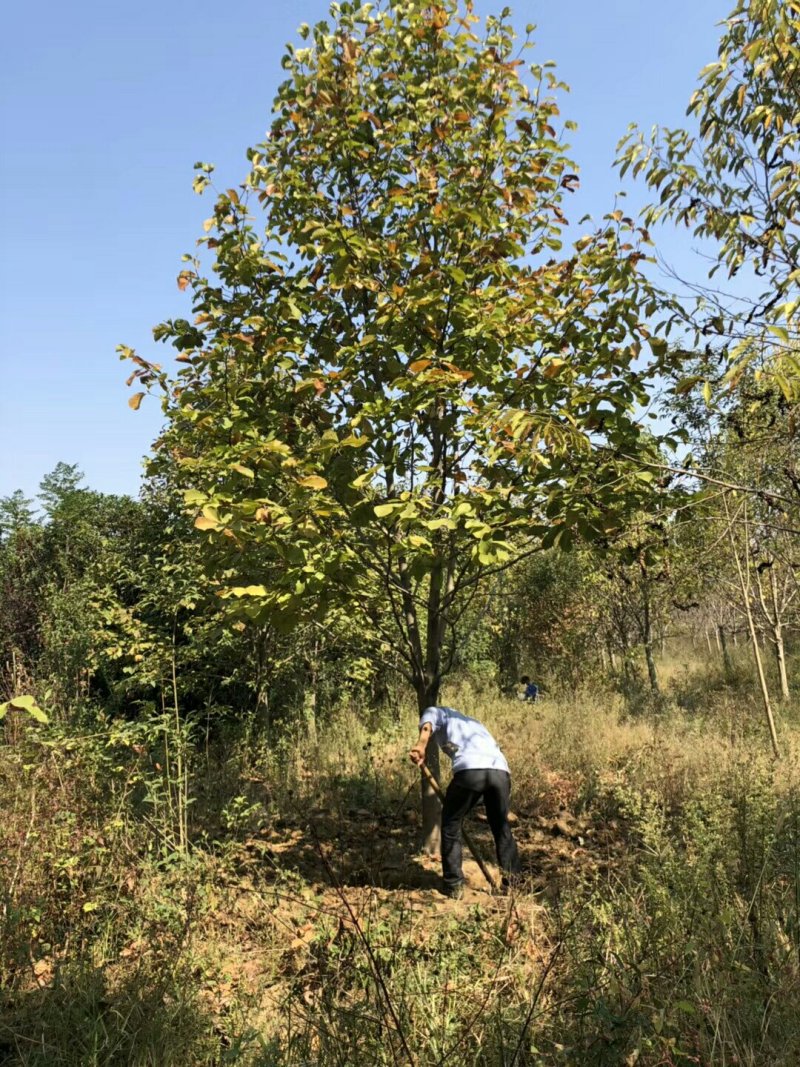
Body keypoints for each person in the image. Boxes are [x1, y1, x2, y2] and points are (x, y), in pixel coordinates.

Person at [409, 705, 521, 898]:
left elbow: (427, 724)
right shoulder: (473, 724)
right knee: (500, 826)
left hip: (471, 770)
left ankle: (454, 885)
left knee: (451, 823)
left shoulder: (437, 712)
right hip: (500, 772)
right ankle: (514, 884)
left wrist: (421, 745)